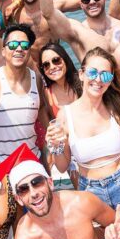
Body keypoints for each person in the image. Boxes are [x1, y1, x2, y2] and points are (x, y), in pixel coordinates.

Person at [45, 47, 120, 214]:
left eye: (105, 75)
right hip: (92, 193)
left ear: (110, 80)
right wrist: (56, 145)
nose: (98, 79)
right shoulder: (66, 115)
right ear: (81, 74)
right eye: (93, 73)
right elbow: (63, 167)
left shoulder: (116, 107)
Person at [0, 23, 49, 161]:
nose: (19, 49)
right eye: (13, 45)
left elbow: (42, 110)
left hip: (32, 160)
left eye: (24, 45)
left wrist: (50, 144)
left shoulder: (36, 79)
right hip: (2, 165)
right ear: (3, 51)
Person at [4, 0, 77, 65]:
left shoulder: (53, 7)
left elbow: (82, 2)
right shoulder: (14, 13)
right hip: (33, 68)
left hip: (56, 62)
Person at [39, 42, 82, 187]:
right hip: (70, 152)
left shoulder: (82, 83)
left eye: (56, 60)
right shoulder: (47, 93)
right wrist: (51, 153)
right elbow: (52, 125)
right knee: (83, 192)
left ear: (65, 59)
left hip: (88, 143)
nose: (52, 67)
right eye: (46, 65)